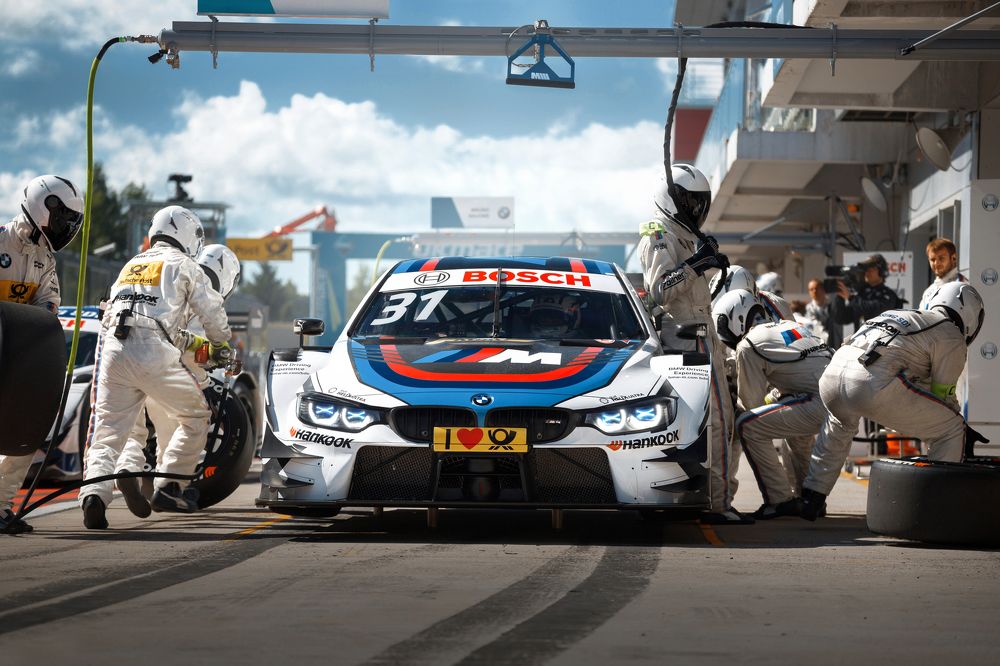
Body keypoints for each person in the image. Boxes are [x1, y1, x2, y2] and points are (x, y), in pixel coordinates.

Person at [79, 206, 232, 529]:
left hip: (113, 349)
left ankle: (94, 493)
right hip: (152, 348)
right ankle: (170, 485)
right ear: (187, 235)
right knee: (195, 417)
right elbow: (211, 309)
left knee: (107, 432)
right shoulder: (183, 264)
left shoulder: (132, 264)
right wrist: (221, 346)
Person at [799, 282, 986, 520]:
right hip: (870, 382)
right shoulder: (950, 334)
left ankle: (812, 497)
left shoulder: (899, 314)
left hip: (833, 373)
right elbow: (943, 397)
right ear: (971, 314)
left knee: (840, 426)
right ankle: (933, 511)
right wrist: (962, 428)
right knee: (952, 429)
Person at [638, 164, 751, 524]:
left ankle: (708, 499)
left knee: (715, 423)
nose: (695, 207)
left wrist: (707, 262)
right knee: (713, 421)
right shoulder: (658, 234)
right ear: (671, 199)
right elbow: (661, 290)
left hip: (702, 335)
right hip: (685, 338)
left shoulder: (681, 233)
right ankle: (716, 504)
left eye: (698, 201)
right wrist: (697, 263)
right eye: (688, 200)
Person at [115, 243, 242, 517]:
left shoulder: (174, 282)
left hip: (137, 363)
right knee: (182, 433)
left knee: (137, 433)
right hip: (176, 378)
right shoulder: (208, 302)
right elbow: (199, 350)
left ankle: (127, 469)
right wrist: (217, 363)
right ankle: (169, 489)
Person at [714, 290, 850, 519]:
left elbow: (750, 403)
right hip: (842, 395)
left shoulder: (748, 344)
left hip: (821, 402)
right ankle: (808, 498)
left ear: (736, 319)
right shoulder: (788, 326)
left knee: (747, 425)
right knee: (795, 430)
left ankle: (779, 500)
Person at [0, 175, 83, 535]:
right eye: (64, 216)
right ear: (44, 205)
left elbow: (48, 308)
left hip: (16, 359)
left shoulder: (44, 260)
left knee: (24, 429)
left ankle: (1, 508)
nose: (68, 226)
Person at [829, 254, 903, 330]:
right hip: (860, 340)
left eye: (871, 269)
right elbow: (842, 318)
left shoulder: (888, 295)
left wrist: (850, 297)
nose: (867, 272)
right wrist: (840, 296)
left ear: (881, 272)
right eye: (866, 269)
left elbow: (873, 309)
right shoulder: (861, 294)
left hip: (881, 339)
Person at [918, 238, 967, 310]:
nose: (936, 263)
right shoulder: (929, 291)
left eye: (941, 258)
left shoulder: (962, 286)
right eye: (933, 259)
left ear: (953, 258)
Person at [803, 278, 842, 348]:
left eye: (816, 288)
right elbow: (816, 326)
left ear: (823, 289)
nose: (814, 291)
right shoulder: (809, 308)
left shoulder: (833, 304)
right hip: (821, 343)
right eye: (811, 289)